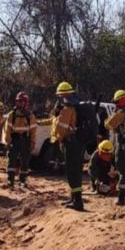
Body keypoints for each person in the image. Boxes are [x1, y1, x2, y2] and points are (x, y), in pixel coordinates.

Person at [37, 82, 84, 211]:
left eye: (60, 96)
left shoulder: (67, 109)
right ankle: (74, 198)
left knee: (73, 172)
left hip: (71, 143)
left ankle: (78, 202)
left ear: (63, 95)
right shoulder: (69, 108)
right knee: (72, 171)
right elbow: (55, 121)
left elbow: (62, 128)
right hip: (72, 143)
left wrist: (59, 139)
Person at [4, 92, 37, 188]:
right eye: (18, 101)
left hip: (25, 140)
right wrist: (8, 141)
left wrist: (32, 142)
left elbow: (33, 130)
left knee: (25, 161)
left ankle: (23, 181)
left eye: (21, 101)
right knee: (12, 160)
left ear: (25, 102)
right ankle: (10, 180)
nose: (19, 103)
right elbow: (8, 129)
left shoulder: (30, 115)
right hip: (14, 140)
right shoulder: (12, 114)